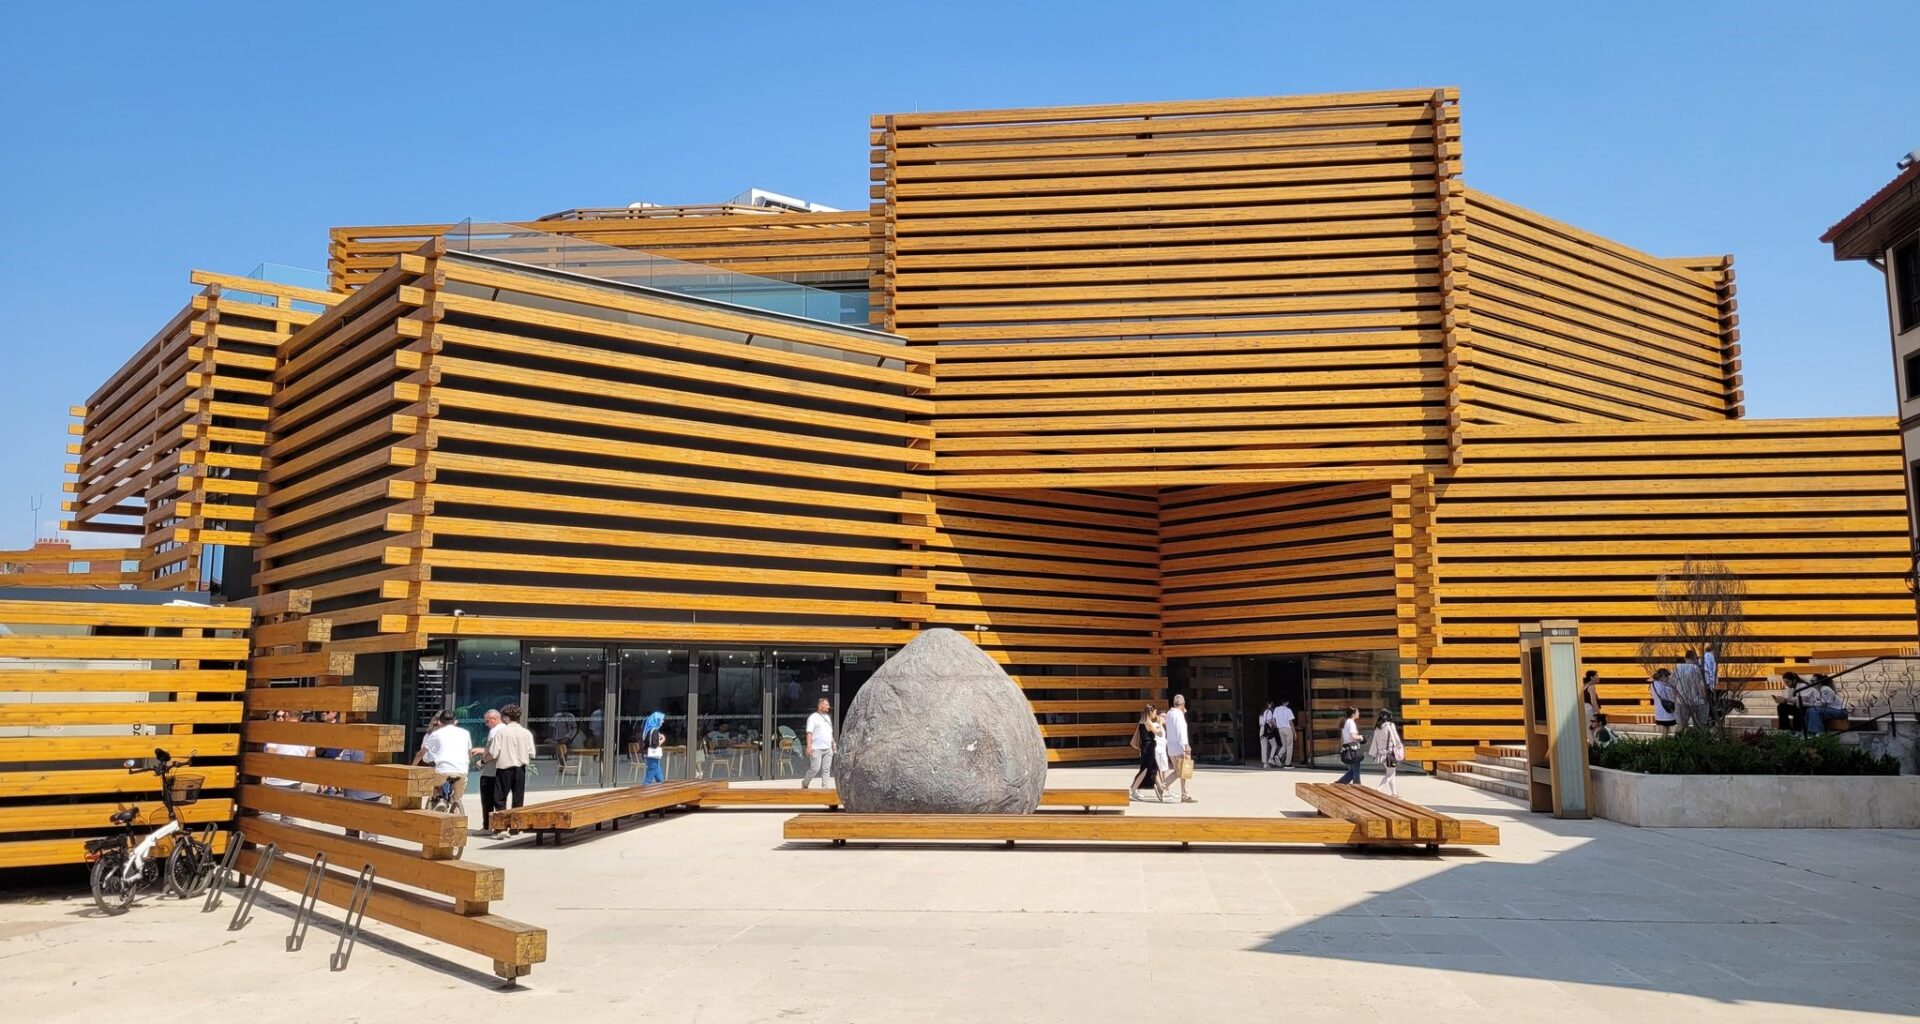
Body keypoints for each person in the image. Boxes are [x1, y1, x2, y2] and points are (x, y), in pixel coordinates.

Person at [416, 711, 473, 828]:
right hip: (461, 770)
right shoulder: (465, 733)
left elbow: (421, 753)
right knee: (457, 799)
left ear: (440, 722)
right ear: (455, 722)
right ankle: (457, 822)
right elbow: (469, 753)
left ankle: (440, 799)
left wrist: (413, 765)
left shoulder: (436, 734)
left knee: (429, 783)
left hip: (443, 770)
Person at [260, 709, 315, 822]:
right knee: (288, 817)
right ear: (301, 718)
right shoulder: (309, 735)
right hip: (294, 781)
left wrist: (263, 774)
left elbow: (270, 755)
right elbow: (310, 758)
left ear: (287, 716)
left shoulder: (277, 732)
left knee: (266, 814)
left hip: (274, 780)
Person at [488, 704, 536, 830]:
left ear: (506, 717)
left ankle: (501, 828)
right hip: (520, 768)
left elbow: (494, 753)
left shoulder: (501, 732)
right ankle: (516, 826)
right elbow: (532, 753)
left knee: (500, 798)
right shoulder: (526, 733)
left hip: (504, 768)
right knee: (518, 798)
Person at [471, 709, 503, 836]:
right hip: (502, 771)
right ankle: (500, 827)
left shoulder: (495, 731)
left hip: (490, 771)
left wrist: (482, 761)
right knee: (500, 801)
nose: (486, 724)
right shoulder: (506, 730)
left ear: (494, 719)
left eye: (487, 721)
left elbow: (493, 752)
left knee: (487, 800)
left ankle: (487, 827)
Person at [1162, 694, 1196, 803]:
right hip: (1180, 747)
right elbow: (1181, 731)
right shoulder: (1179, 715)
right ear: (1183, 704)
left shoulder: (1169, 714)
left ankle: (1183, 793)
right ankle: (1163, 786)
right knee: (1183, 771)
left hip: (1171, 748)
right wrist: (1186, 745)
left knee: (1180, 771)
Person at [1368, 709, 1405, 796]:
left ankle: (1394, 793)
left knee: (1391, 772)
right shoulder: (1390, 725)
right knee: (1390, 773)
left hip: (1381, 753)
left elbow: (1375, 741)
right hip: (1390, 753)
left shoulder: (1377, 727)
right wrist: (1399, 746)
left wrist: (1374, 753)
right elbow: (1395, 737)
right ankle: (1379, 789)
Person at [1670, 651, 1710, 729]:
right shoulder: (1697, 669)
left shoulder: (1677, 668)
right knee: (1699, 725)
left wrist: (1675, 698)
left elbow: (1671, 684)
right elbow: (1701, 686)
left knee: (1681, 725)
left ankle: (1680, 740)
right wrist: (1705, 698)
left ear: (1685, 658)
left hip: (1681, 701)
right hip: (1697, 701)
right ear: (1695, 658)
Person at [802, 698, 835, 789]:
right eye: (826, 705)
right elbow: (809, 732)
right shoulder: (813, 717)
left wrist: (833, 743)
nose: (829, 706)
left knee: (826, 769)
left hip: (828, 748)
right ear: (820, 706)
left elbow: (829, 732)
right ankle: (805, 783)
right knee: (815, 768)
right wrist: (809, 746)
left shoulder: (828, 718)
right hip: (816, 748)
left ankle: (825, 786)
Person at [1129, 706, 1159, 799]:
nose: (1155, 714)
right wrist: (1161, 723)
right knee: (1144, 770)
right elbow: (1157, 732)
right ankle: (1133, 790)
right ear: (1150, 713)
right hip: (1148, 750)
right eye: (1154, 712)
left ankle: (1160, 788)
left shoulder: (1142, 722)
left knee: (1153, 768)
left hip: (1146, 748)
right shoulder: (1148, 723)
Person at [1336, 706, 1364, 785]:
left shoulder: (1345, 722)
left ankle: (1339, 784)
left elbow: (1342, 738)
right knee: (1356, 771)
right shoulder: (1351, 723)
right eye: (1357, 712)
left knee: (1352, 770)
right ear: (1353, 714)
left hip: (1347, 748)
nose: (1359, 713)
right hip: (1353, 749)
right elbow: (1353, 736)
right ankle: (1357, 787)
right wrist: (1361, 737)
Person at [1148, 711, 1171, 803]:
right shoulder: (1156, 725)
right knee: (1158, 770)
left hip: (1162, 750)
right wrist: (1161, 723)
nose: (1165, 719)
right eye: (1163, 717)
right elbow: (1159, 733)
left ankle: (1166, 789)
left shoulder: (1164, 727)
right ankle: (1161, 787)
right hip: (1157, 750)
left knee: (1165, 769)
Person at [1649, 668, 1678, 736]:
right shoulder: (1664, 686)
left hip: (1659, 709)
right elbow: (1670, 697)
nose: (1668, 678)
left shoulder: (1653, 684)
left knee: (1665, 727)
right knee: (1666, 727)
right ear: (1662, 676)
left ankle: (1664, 741)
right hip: (1666, 709)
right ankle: (1664, 742)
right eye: (1667, 676)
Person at [642, 712, 667, 785]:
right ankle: (643, 789)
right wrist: (662, 740)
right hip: (653, 755)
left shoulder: (648, 729)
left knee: (660, 777)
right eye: (661, 720)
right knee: (649, 775)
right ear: (657, 720)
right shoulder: (655, 731)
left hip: (648, 754)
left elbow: (647, 742)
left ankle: (661, 790)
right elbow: (654, 744)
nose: (663, 721)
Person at [1272, 699, 1297, 768]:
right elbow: (1291, 722)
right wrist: (1294, 732)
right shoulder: (1288, 710)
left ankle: (1278, 755)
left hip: (1280, 729)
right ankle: (1287, 764)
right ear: (1287, 702)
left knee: (1284, 745)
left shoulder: (1276, 709)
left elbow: (1273, 720)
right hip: (1287, 729)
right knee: (1289, 746)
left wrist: (1277, 726)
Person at [1581, 670, 1602, 740]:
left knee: (1589, 731)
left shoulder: (1585, 686)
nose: (1598, 677)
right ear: (1591, 677)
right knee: (1593, 731)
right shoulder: (1592, 687)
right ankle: (1596, 748)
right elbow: (1593, 702)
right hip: (1590, 709)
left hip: (1584, 709)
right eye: (1596, 676)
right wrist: (1599, 714)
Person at [1258, 701, 1279, 768]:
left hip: (1262, 730)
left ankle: (1265, 763)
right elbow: (1269, 721)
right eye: (1271, 704)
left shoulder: (1261, 713)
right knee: (1274, 745)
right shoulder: (1269, 712)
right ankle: (1271, 758)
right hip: (1267, 730)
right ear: (1268, 704)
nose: (1272, 706)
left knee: (1263, 747)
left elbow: (1261, 723)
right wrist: (1275, 726)